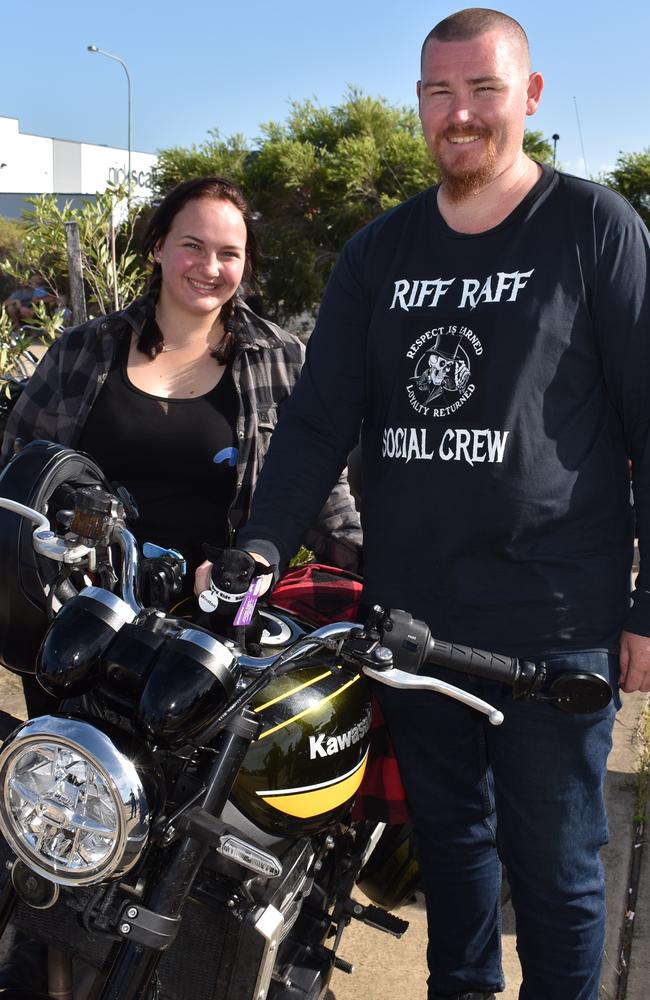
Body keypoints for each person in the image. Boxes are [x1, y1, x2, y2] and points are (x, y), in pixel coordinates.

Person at [197, 10, 650, 1000]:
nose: (459, 115)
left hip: (552, 627)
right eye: (438, 93)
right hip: (407, 617)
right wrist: (262, 544)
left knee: (559, 874)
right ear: (417, 104)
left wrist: (644, 607)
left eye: (482, 90)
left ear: (526, 97)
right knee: (447, 852)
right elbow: (317, 425)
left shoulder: (591, 228)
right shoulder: (377, 253)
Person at [0, 176, 361, 717]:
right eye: (192, 245)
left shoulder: (282, 359)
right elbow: (18, 474)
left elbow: (317, 487)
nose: (209, 267)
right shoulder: (82, 350)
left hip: (214, 639)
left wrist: (380, 562)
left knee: (196, 797)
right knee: (68, 785)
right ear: (158, 247)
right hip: (78, 623)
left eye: (228, 253)